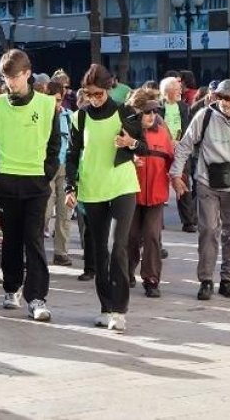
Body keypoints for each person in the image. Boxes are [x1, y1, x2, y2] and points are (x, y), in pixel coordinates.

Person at [0, 49, 62, 322]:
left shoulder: (47, 104)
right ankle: (11, 288)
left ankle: (37, 297)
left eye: (14, 77)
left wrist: (47, 172)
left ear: (27, 74)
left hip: (36, 183)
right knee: (11, 240)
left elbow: (54, 144)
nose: (9, 82)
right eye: (5, 77)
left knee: (34, 240)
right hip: (5, 183)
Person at [66, 64, 146, 332]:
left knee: (116, 247)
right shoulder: (79, 117)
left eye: (98, 93)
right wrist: (70, 187)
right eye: (89, 94)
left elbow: (144, 146)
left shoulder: (125, 112)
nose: (94, 99)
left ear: (109, 88)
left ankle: (119, 310)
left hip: (122, 185)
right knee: (99, 251)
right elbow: (72, 154)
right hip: (92, 188)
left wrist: (130, 144)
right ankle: (105, 306)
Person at [169, 79, 230, 301]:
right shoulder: (205, 116)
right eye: (221, 97)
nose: (225, 102)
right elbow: (185, 145)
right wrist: (175, 173)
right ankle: (206, 280)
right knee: (208, 230)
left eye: (229, 98)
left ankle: (228, 280)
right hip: (206, 182)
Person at [127, 96, 173, 299]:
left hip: (156, 194)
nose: (152, 115)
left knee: (153, 237)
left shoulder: (163, 134)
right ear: (137, 112)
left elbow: (173, 161)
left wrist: (179, 181)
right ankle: (126, 272)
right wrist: (130, 160)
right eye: (147, 111)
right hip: (130, 193)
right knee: (130, 237)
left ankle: (151, 279)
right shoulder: (126, 131)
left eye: (155, 111)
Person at [160, 76, 195, 233]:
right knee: (159, 183)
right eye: (177, 89)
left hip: (180, 148)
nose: (180, 92)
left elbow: (187, 126)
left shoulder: (183, 107)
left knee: (184, 183)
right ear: (167, 92)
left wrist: (179, 141)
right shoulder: (158, 107)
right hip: (161, 148)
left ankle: (188, 221)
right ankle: (157, 221)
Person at [44, 80, 74, 266]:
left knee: (65, 213)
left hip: (65, 167)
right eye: (51, 100)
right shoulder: (39, 117)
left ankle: (61, 252)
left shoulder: (69, 116)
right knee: (44, 213)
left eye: (58, 100)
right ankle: (34, 251)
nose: (55, 104)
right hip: (45, 168)